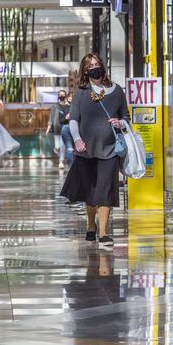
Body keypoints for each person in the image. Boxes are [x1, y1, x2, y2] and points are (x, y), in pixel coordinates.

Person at [60, 53, 130, 248]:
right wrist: (77, 140)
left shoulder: (116, 91)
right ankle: (91, 225)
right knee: (90, 193)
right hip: (86, 151)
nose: (94, 67)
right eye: (90, 65)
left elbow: (126, 116)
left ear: (102, 66)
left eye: (96, 64)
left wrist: (120, 122)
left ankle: (103, 232)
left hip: (109, 150)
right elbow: (74, 119)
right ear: (85, 70)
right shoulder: (81, 92)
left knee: (105, 191)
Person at [46, 90, 70, 168]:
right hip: (56, 128)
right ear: (58, 96)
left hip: (65, 128)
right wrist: (49, 127)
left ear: (65, 95)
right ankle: (62, 156)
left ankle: (61, 161)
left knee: (62, 145)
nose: (62, 96)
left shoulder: (69, 106)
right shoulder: (55, 106)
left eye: (63, 94)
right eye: (60, 94)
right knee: (57, 147)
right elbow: (51, 117)